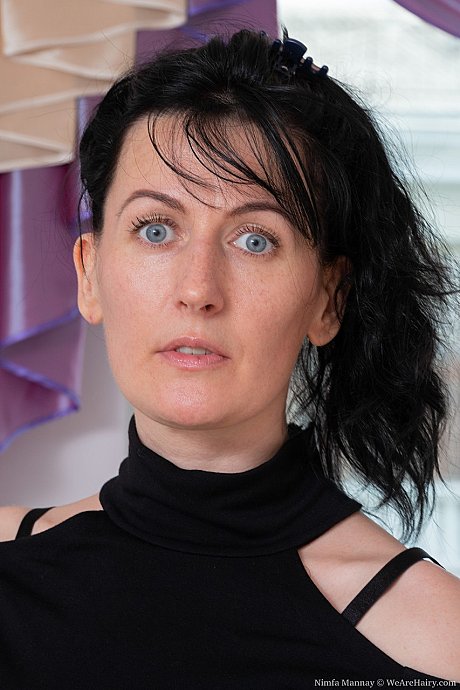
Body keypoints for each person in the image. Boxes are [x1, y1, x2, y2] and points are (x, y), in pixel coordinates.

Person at [0, 28, 459, 687]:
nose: (198, 290)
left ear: (329, 299)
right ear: (89, 274)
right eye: (156, 229)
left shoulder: (437, 640)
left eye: (255, 240)